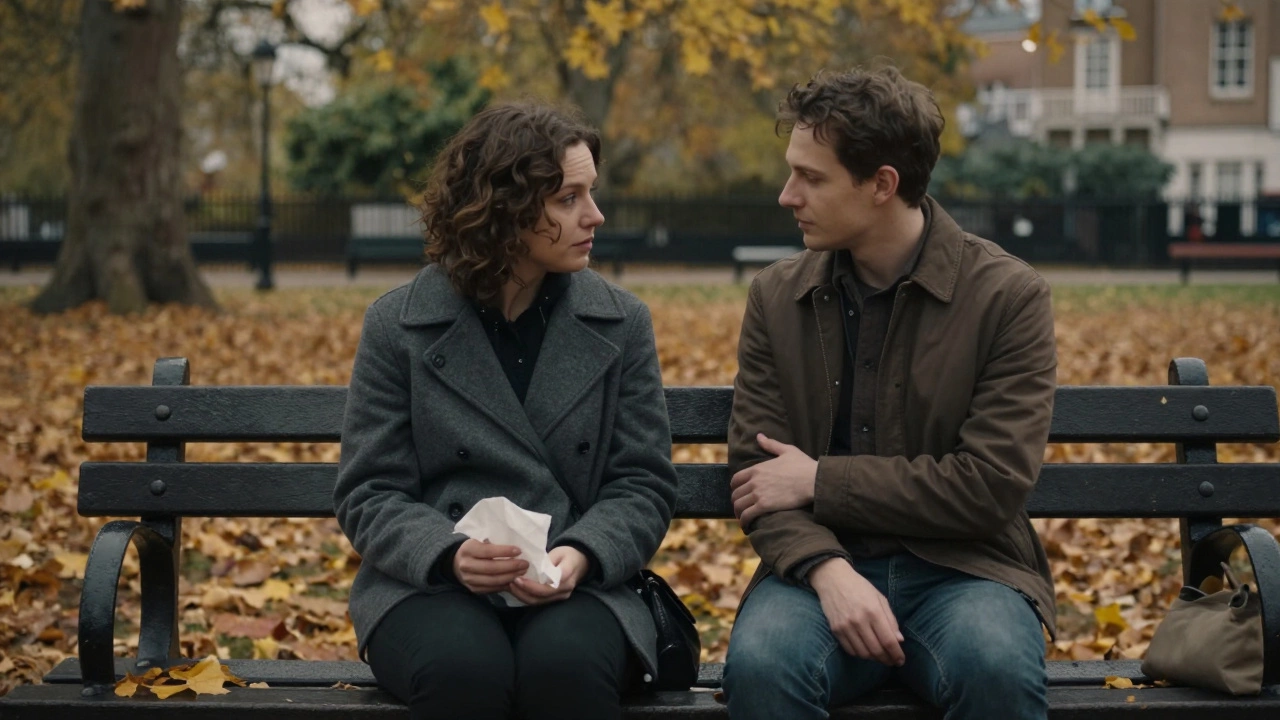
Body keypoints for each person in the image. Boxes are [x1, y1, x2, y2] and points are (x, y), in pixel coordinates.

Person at [721, 66, 1058, 720]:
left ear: (882, 185)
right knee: (763, 666)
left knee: (995, 667)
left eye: (811, 178)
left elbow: (988, 486)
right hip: (815, 574)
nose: (788, 195)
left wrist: (821, 480)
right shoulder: (776, 296)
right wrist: (829, 572)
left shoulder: (1007, 297)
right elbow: (758, 476)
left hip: (967, 573)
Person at [334, 102, 678, 720]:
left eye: (590, 193)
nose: (594, 216)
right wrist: (446, 552)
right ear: (505, 209)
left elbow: (643, 483)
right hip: (428, 584)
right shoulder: (399, 324)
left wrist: (584, 553)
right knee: (462, 670)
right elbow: (369, 489)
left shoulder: (620, 323)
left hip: (577, 583)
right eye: (569, 198)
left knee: (566, 670)